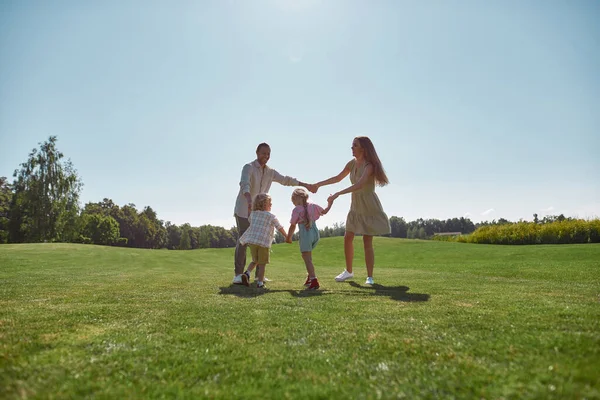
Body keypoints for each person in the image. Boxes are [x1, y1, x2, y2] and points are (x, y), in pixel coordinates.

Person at [232, 143, 316, 285]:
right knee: (243, 241)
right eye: (263, 153)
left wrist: (305, 185)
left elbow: (285, 180)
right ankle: (238, 275)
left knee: (261, 242)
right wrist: (248, 198)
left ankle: (259, 276)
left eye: (268, 154)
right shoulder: (249, 167)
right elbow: (244, 183)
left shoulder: (270, 172)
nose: (266, 156)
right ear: (257, 152)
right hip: (244, 210)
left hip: (261, 213)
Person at [315, 136, 390, 285]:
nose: (352, 148)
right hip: (355, 205)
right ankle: (348, 271)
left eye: (354, 145)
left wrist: (337, 194)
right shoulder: (351, 163)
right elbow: (337, 178)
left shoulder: (369, 166)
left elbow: (360, 185)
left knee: (366, 241)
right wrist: (318, 184)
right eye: (352, 145)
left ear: (363, 148)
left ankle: (370, 277)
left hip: (368, 205)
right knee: (347, 237)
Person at [286, 188, 333, 290]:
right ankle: (309, 277)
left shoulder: (297, 209)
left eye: (293, 200)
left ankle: (314, 280)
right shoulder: (312, 206)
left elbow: (293, 225)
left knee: (306, 258)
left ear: (296, 198)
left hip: (305, 233)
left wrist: (288, 237)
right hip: (315, 233)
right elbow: (324, 211)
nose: (293, 203)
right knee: (309, 257)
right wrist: (330, 202)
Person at [238, 193, 288, 289]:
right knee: (262, 263)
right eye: (270, 203)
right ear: (264, 204)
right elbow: (279, 227)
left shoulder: (253, 214)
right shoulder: (271, 216)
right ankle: (260, 282)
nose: (271, 205)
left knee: (255, 260)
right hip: (263, 242)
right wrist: (287, 236)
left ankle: (247, 273)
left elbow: (250, 220)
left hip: (252, 241)